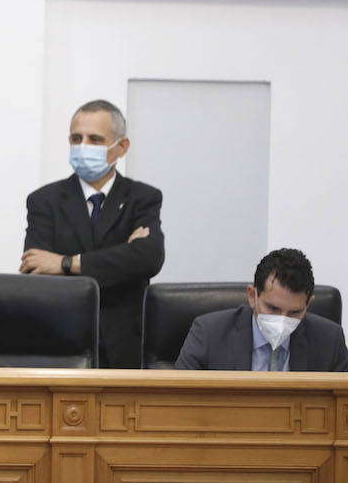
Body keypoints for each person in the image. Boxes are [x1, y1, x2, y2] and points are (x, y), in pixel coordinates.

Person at [20, 99, 164, 368]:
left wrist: (64, 263)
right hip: (60, 340)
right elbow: (35, 269)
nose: (82, 146)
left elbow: (147, 258)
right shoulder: (44, 201)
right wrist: (121, 257)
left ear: (121, 147)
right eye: (76, 138)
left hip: (125, 345)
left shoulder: (142, 198)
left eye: (95, 139)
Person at [177, 248, 348, 371]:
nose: (282, 320)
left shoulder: (330, 341)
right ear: (253, 296)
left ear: (308, 304)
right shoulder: (209, 333)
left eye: (294, 312)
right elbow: (178, 402)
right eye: (273, 308)